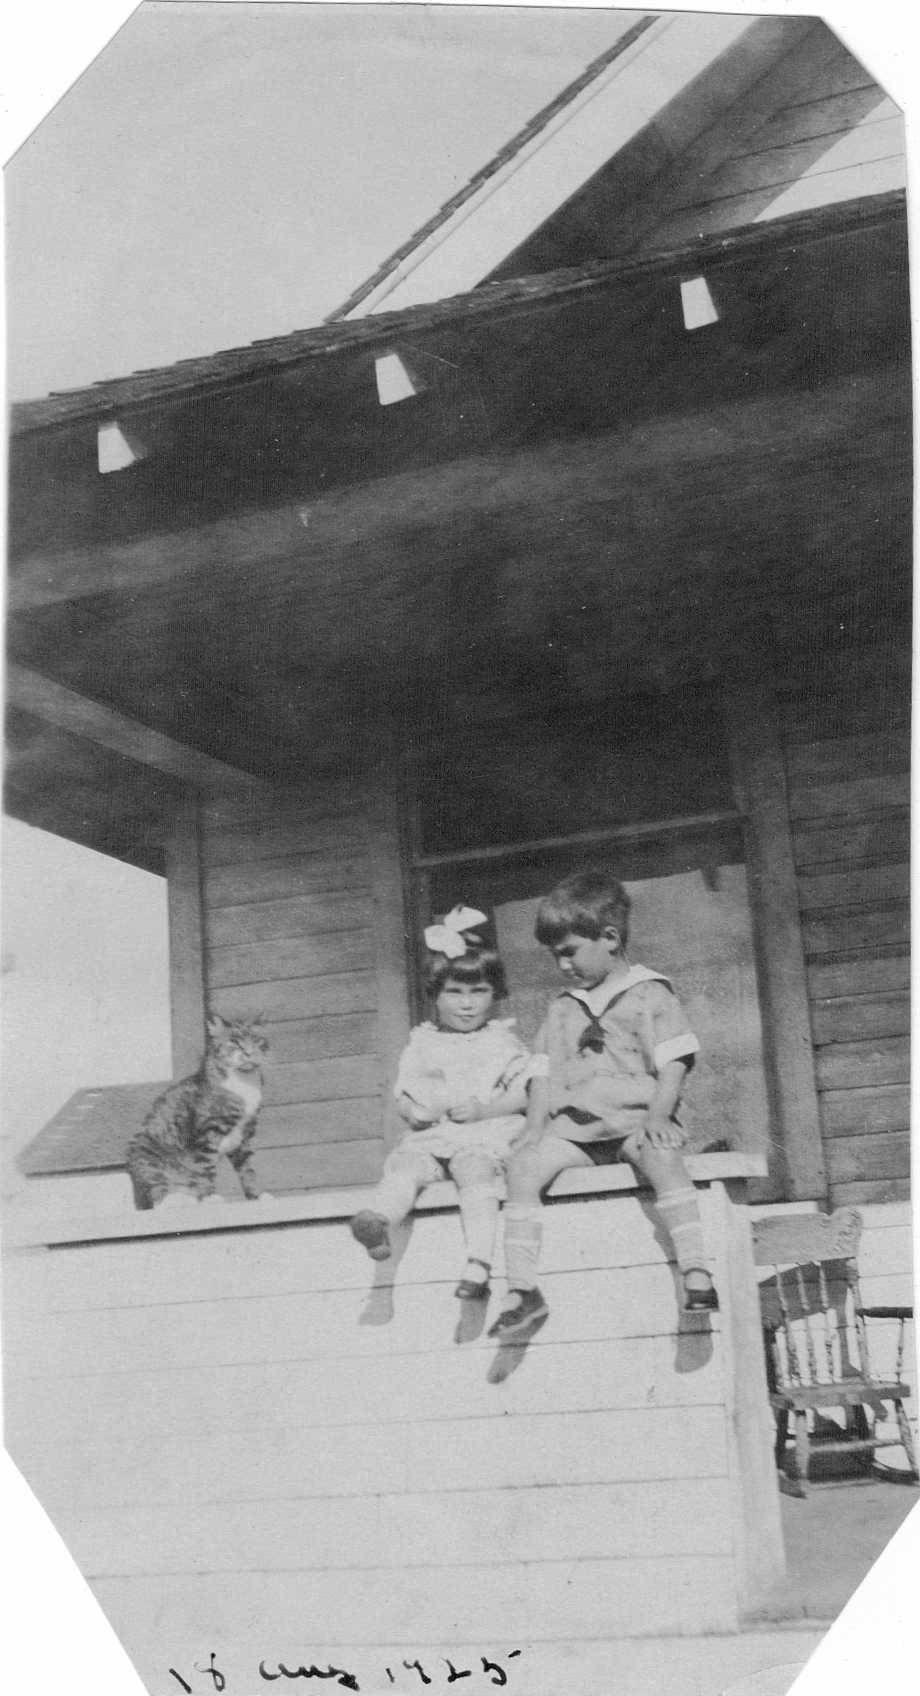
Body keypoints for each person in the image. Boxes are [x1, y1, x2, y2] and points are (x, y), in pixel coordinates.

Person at [488, 868, 719, 1339]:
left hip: (635, 1123)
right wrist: (534, 1126)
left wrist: (658, 1115)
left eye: (569, 952)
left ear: (609, 937)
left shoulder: (649, 994)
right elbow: (541, 1070)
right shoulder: (562, 1007)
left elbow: (674, 1060)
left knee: (661, 1155)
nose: (563, 966)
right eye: (556, 957)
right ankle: (522, 1288)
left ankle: (696, 1270)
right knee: (524, 1167)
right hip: (577, 1134)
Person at [350, 905, 534, 1300]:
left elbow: (524, 1092)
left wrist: (485, 1110)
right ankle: (380, 1220)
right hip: (435, 1135)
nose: (466, 1004)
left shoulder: (501, 1041)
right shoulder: (424, 1041)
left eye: (477, 992)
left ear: (494, 994)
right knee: (406, 1163)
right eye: (454, 992)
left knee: (474, 1170)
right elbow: (406, 1092)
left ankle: (479, 1263)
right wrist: (415, 1111)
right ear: (436, 994)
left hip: (482, 1134)